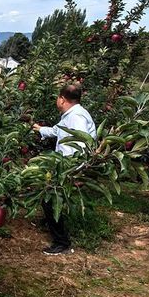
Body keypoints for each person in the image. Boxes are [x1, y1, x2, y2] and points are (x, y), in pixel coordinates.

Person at [32, 84, 96, 256]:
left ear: (62, 99)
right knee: (49, 199)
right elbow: (57, 131)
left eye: (57, 97)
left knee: (51, 200)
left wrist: (73, 171)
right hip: (64, 166)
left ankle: (62, 243)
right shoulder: (70, 115)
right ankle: (55, 229)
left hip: (68, 167)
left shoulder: (76, 117)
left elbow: (80, 145)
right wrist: (40, 129)